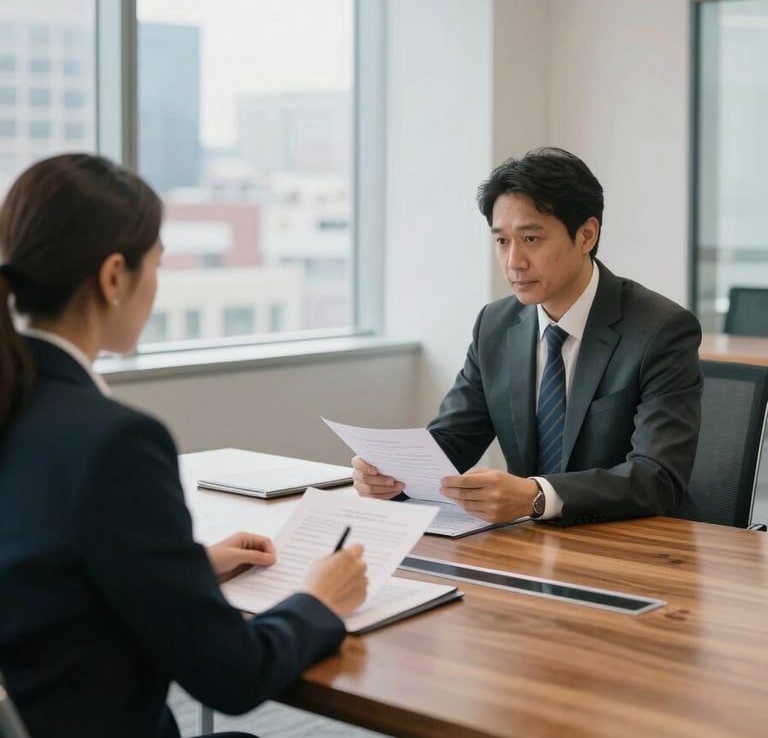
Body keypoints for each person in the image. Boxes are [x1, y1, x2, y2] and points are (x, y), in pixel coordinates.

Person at [0, 154, 368, 738]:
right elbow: (234, 677)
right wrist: (319, 601)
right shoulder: (115, 441)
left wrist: (185, 568)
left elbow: (41, 574)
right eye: (156, 266)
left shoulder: (20, 404)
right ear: (114, 276)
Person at [352, 147, 702, 526]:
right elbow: (453, 440)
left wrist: (538, 496)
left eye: (531, 239)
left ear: (586, 235)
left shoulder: (660, 330)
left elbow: (657, 478)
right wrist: (390, 475)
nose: (513, 262)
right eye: (502, 241)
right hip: (531, 547)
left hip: (632, 547)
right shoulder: (496, 325)